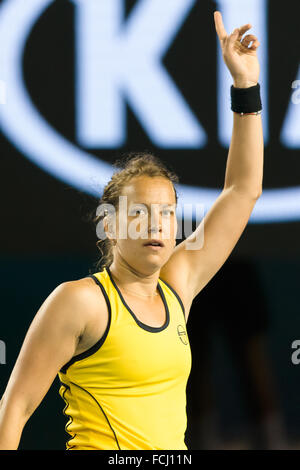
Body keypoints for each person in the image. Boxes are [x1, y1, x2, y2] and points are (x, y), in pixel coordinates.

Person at [0, 11, 264, 450]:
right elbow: (15, 408)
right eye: (139, 213)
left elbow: (243, 189)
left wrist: (245, 86)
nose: (156, 224)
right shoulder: (79, 301)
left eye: (166, 214)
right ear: (109, 225)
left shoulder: (178, 286)